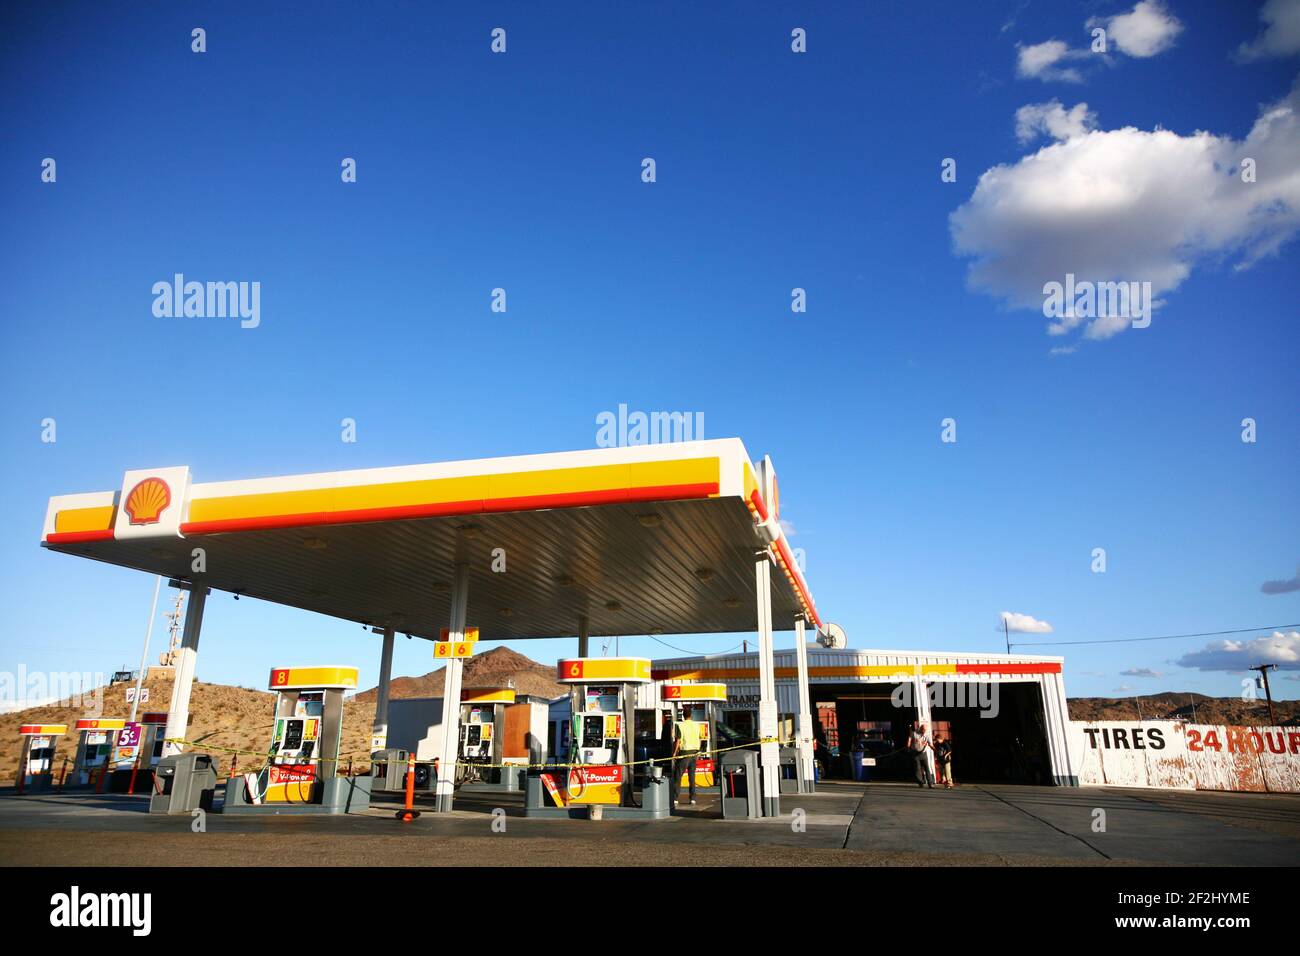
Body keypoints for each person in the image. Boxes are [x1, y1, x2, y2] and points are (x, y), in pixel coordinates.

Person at [670, 707, 702, 809]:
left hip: (684, 753)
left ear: (683, 716)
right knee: (692, 777)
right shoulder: (697, 726)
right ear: (691, 715)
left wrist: (674, 753)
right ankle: (692, 798)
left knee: (678, 776)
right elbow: (700, 738)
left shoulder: (681, 726)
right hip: (695, 753)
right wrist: (699, 751)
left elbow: (678, 741)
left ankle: (675, 798)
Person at [909, 722, 934, 788]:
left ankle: (930, 783)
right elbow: (910, 737)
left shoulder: (927, 734)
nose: (924, 732)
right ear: (920, 729)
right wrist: (908, 745)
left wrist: (934, 749)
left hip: (923, 753)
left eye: (925, 730)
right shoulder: (915, 733)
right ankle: (920, 782)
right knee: (918, 768)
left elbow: (930, 744)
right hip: (915, 753)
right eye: (923, 730)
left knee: (927, 768)